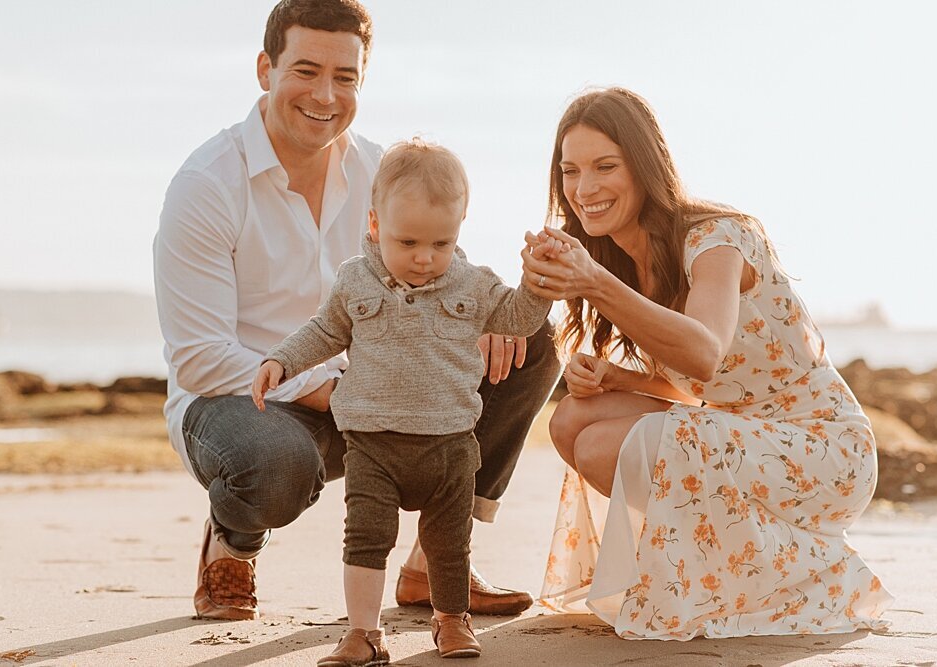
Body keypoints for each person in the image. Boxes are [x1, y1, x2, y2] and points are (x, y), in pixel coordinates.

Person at [153, 0, 560, 623]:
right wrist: (325, 387)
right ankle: (233, 542)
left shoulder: (380, 171)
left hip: (373, 398)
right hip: (240, 403)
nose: (326, 94)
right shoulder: (207, 184)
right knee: (273, 466)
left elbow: (446, 269)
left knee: (527, 344)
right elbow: (199, 360)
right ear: (266, 69)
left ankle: (434, 562)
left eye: (346, 78)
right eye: (306, 70)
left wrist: (487, 317)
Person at [522, 87, 893, 640]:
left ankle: (811, 566)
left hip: (824, 448)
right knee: (572, 419)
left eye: (605, 166)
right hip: (746, 434)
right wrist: (619, 376)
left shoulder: (717, 239)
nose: (585, 188)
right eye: (570, 171)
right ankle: (743, 567)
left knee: (604, 444)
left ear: (646, 166)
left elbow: (704, 351)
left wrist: (594, 283)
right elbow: (706, 391)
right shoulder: (621, 260)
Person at [252, 139, 556, 664]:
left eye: (441, 243)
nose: (424, 258)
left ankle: (450, 620)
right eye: (408, 241)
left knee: (448, 543)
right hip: (373, 443)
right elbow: (325, 331)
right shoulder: (355, 280)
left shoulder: (473, 284)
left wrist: (537, 284)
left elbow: (518, 319)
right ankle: (364, 633)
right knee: (366, 539)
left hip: (449, 445)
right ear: (374, 224)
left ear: (461, 226)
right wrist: (281, 360)